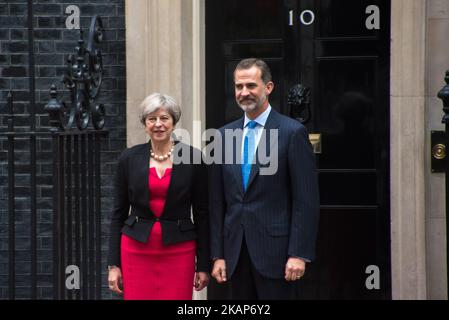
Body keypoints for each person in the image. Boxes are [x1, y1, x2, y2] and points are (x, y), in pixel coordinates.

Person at [209, 58, 320, 299]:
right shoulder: (223, 135)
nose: (244, 92)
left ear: (268, 87)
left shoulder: (292, 133)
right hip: (236, 255)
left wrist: (298, 254)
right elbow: (217, 202)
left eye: (251, 85)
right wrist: (217, 255)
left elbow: (306, 200)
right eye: (239, 87)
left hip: (278, 256)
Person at [107, 93, 210, 300]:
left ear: (173, 123)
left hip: (179, 249)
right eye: (151, 119)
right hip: (136, 249)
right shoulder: (129, 158)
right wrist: (113, 265)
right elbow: (118, 213)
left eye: (164, 118)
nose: (158, 124)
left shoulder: (193, 158)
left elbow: (203, 214)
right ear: (145, 124)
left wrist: (204, 264)